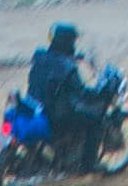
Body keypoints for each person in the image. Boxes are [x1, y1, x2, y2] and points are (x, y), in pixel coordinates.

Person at [26, 21, 113, 158]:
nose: (74, 44)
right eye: (73, 41)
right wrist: (101, 92)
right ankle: (90, 164)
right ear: (67, 42)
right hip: (55, 115)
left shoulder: (39, 55)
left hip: (35, 105)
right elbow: (82, 93)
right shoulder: (68, 68)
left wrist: (75, 56)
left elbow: (55, 58)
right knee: (96, 121)